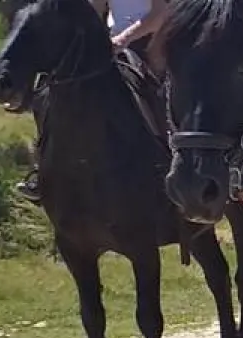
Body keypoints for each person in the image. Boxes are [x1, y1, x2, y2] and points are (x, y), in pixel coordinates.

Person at [14, 0, 170, 202]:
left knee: (159, 93)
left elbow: (161, 13)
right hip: (112, 45)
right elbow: (92, 12)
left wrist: (124, 38)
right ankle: (46, 167)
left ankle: (175, 164)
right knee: (52, 89)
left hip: (152, 44)